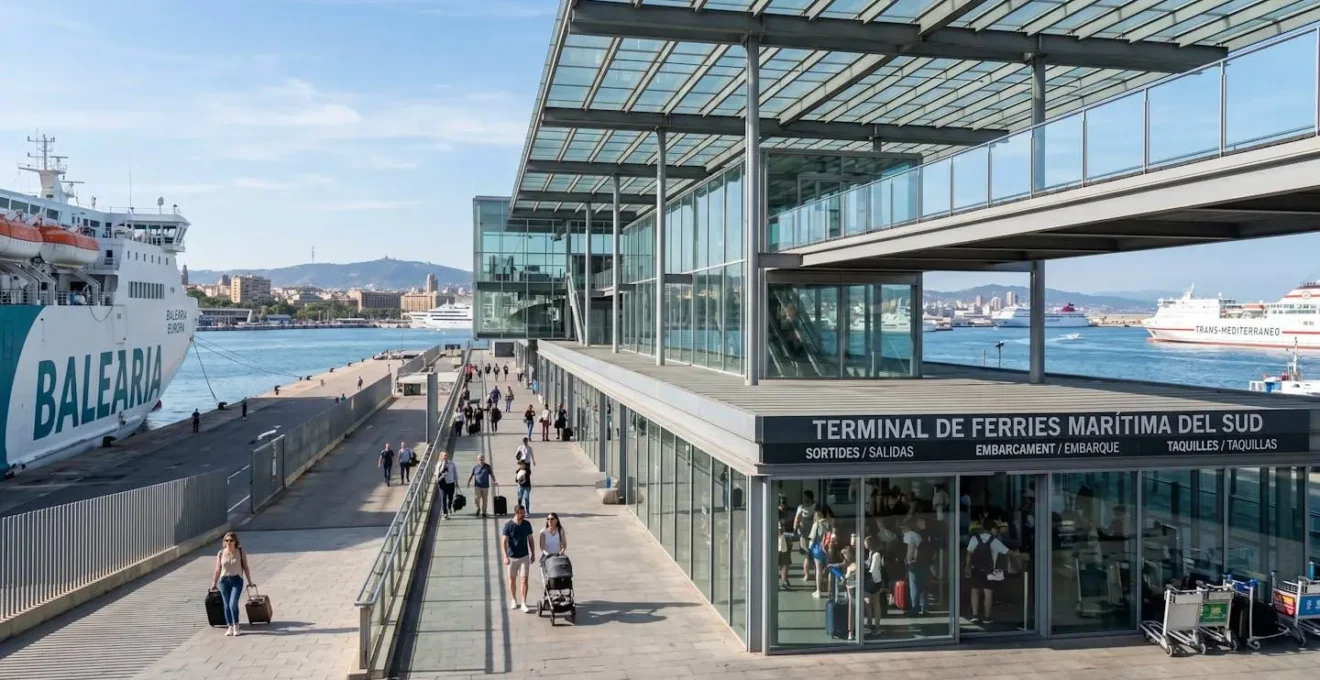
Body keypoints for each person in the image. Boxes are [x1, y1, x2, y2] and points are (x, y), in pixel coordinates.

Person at [210, 531, 256, 637]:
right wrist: (214, 583)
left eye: (231, 540)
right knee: (226, 605)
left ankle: (236, 625)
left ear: (235, 541)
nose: (229, 542)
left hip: (237, 580)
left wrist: (249, 581)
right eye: (226, 540)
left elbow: (246, 567)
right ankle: (229, 626)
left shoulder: (240, 552)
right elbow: (217, 569)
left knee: (233, 603)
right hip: (224, 580)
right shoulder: (221, 553)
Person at [965, 519, 1009, 625]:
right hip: (989, 570)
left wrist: (967, 566)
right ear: (992, 529)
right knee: (988, 593)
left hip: (976, 568)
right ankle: (987, 617)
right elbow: (1007, 552)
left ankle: (975, 615)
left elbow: (969, 553)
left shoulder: (975, 538)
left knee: (974, 591)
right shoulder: (994, 541)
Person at [501, 504, 536, 613]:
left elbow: (530, 539)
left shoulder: (527, 524)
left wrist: (533, 553)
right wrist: (505, 557)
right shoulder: (508, 525)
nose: (523, 515)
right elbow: (503, 542)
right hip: (512, 557)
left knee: (524, 579)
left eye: (524, 512)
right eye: (521, 513)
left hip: (524, 556)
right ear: (516, 513)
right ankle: (513, 599)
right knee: (512, 580)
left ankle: (524, 602)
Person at [793, 491, 817, 583]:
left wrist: (795, 528)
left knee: (810, 556)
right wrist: (795, 528)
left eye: (805, 497)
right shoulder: (804, 507)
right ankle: (809, 574)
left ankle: (810, 574)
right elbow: (797, 519)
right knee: (810, 556)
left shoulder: (810, 506)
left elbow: (797, 519)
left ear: (809, 497)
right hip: (808, 534)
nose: (804, 499)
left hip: (811, 534)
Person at [435, 452, 458, 520]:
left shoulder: (452, 464)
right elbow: (436, 474)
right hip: (442, 484)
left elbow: (455, 472)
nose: (445, 457)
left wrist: (456, 481)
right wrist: (442, 475)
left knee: (450, 497)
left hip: (451, 483)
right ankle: (445, 513)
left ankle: (449, 507)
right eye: (444, 456)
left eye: (446, 455)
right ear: (441, 457)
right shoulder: (439, 464)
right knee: (443, 498)